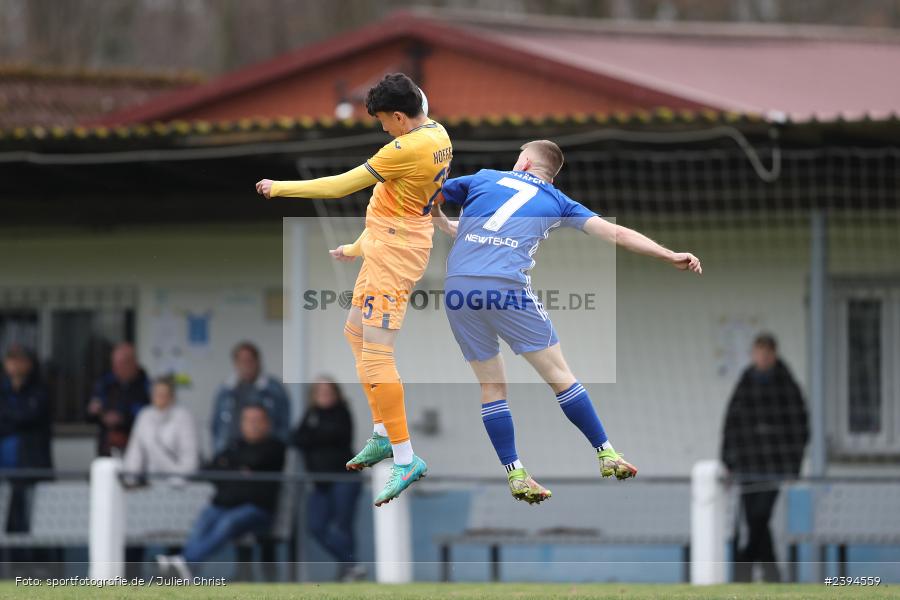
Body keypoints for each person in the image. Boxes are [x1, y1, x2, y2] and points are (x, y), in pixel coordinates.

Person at [426, 140, 702, 503]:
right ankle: (606, 453)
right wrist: (669, 255)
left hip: (459, 289)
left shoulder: (484, 178)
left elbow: (430, 195)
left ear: (523, 162)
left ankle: (515, 472)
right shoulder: (558, 201)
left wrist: (441, 221)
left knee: (492, 388)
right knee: (560, 376)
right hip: (506, 288)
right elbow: (616, 234)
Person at [256, 72, 452, 506]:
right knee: (355, 333)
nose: (382, 127)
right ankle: (383, 433)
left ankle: (405, 457)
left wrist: (279, 188)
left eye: (384, 119)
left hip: (395, 254)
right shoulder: (436, 131)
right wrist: (360, 245)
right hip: (387, 243)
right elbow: (400, 201)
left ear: (400, 117)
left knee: (379, 353)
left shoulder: (404, 148)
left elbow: (339, 185)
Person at [159, 405, 285, 578]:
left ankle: (185, 563)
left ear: (267, 424)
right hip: (224, 504)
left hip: (256, 509)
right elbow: (213, 468)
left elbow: (253, 460)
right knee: (202, 523)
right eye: (249, 420)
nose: (253, 425)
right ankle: (186, 568)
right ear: (241, 424)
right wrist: (239, 469)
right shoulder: (235, 445)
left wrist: (231, 466)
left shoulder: (275, 447)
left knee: (228, 523)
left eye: (258, 420)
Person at [721, 333, 809, 582]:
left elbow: (800, 428)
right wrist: (728, 461)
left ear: (774, 354)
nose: (763, 357)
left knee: (760, 516)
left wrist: (793, 465)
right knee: (753, 519)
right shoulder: (745, 384)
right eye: (759, 352)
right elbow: (731, 424)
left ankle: (744, 566)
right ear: (753, 354)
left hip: (775, 466)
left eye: (767, 353)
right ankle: (772, 575)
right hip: (748, 465)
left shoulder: (787, 386)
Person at [292, 378, 364, 582]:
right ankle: (350, 563)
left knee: (343, 526)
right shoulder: (311, 415)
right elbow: (296, 438)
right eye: (319, 391)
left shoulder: (342, 413)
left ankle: (348, 570)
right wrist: (316, 437)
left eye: (328, 391)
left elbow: (336, 437)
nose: (324, 395)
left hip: (344, 479)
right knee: (316, 526)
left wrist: (313, 438)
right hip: (320, 482)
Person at [1, 345, 52, 533]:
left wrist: (9, 417)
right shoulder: (3, 390)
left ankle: (33, 562)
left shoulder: (39, 390)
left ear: (29, 363)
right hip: (4, 471)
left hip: (31, 470)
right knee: (7, 525)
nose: (14, 364)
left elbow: (29, 416)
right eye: (10, 359)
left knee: (32, 524)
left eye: (19, 360)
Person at [211, 341, 290, 454]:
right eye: (241, 361)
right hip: (231, 453)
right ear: (235, 364)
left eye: (249, 361)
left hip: (263, 455)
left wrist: (276, 453)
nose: (246, 365)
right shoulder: (225, 390)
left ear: (258, 362)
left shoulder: (274, 389)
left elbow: (284, 426)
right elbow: (216, 426)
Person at [122, 376, 199, 486]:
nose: (160, 397)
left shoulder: (183, 417)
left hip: (178, 485)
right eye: (157, 393)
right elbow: (134, 453)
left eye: (164, 394)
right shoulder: (145, 416)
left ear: (172, 396)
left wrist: (177, 481)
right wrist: (130, 479)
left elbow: (190, 459)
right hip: (151, 483)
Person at [86, 342, 150, 457]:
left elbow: (147, 416)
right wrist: (97, 413)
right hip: (107, 448)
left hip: (136, 448)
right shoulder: (106, 382)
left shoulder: (146, 386)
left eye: (120, 364)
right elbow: (90, 415)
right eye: (114, 364)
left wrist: (121, 419)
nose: (116, 369)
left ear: (132, 363)